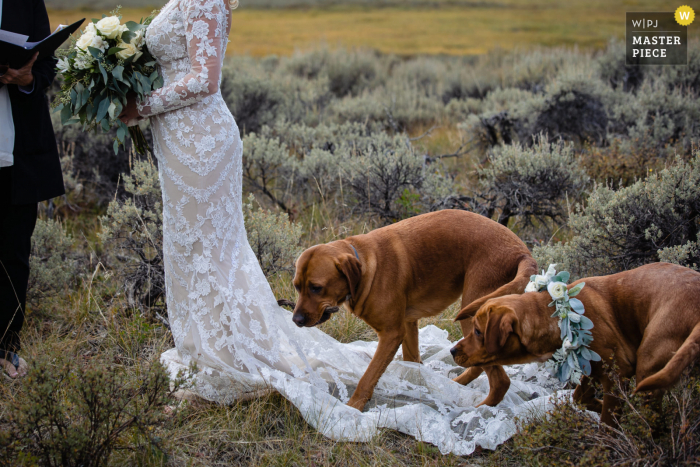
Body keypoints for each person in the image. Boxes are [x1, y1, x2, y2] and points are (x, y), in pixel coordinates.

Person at [119, 0, 565, 455]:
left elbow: (391, 329)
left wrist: (359, 398)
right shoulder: (353, 273)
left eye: (314, 291)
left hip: (487, 250)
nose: (302, 306)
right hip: (182, 143)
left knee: (479, 328)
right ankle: (441, 372)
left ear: (349, 277)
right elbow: (403, 319)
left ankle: (493, 384)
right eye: (302, 289)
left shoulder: (364, 275)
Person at [0, 0, 64, 379]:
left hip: (18, 149)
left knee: (13, 253)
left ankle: (7, 351)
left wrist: (27, 79)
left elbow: (45, 65)